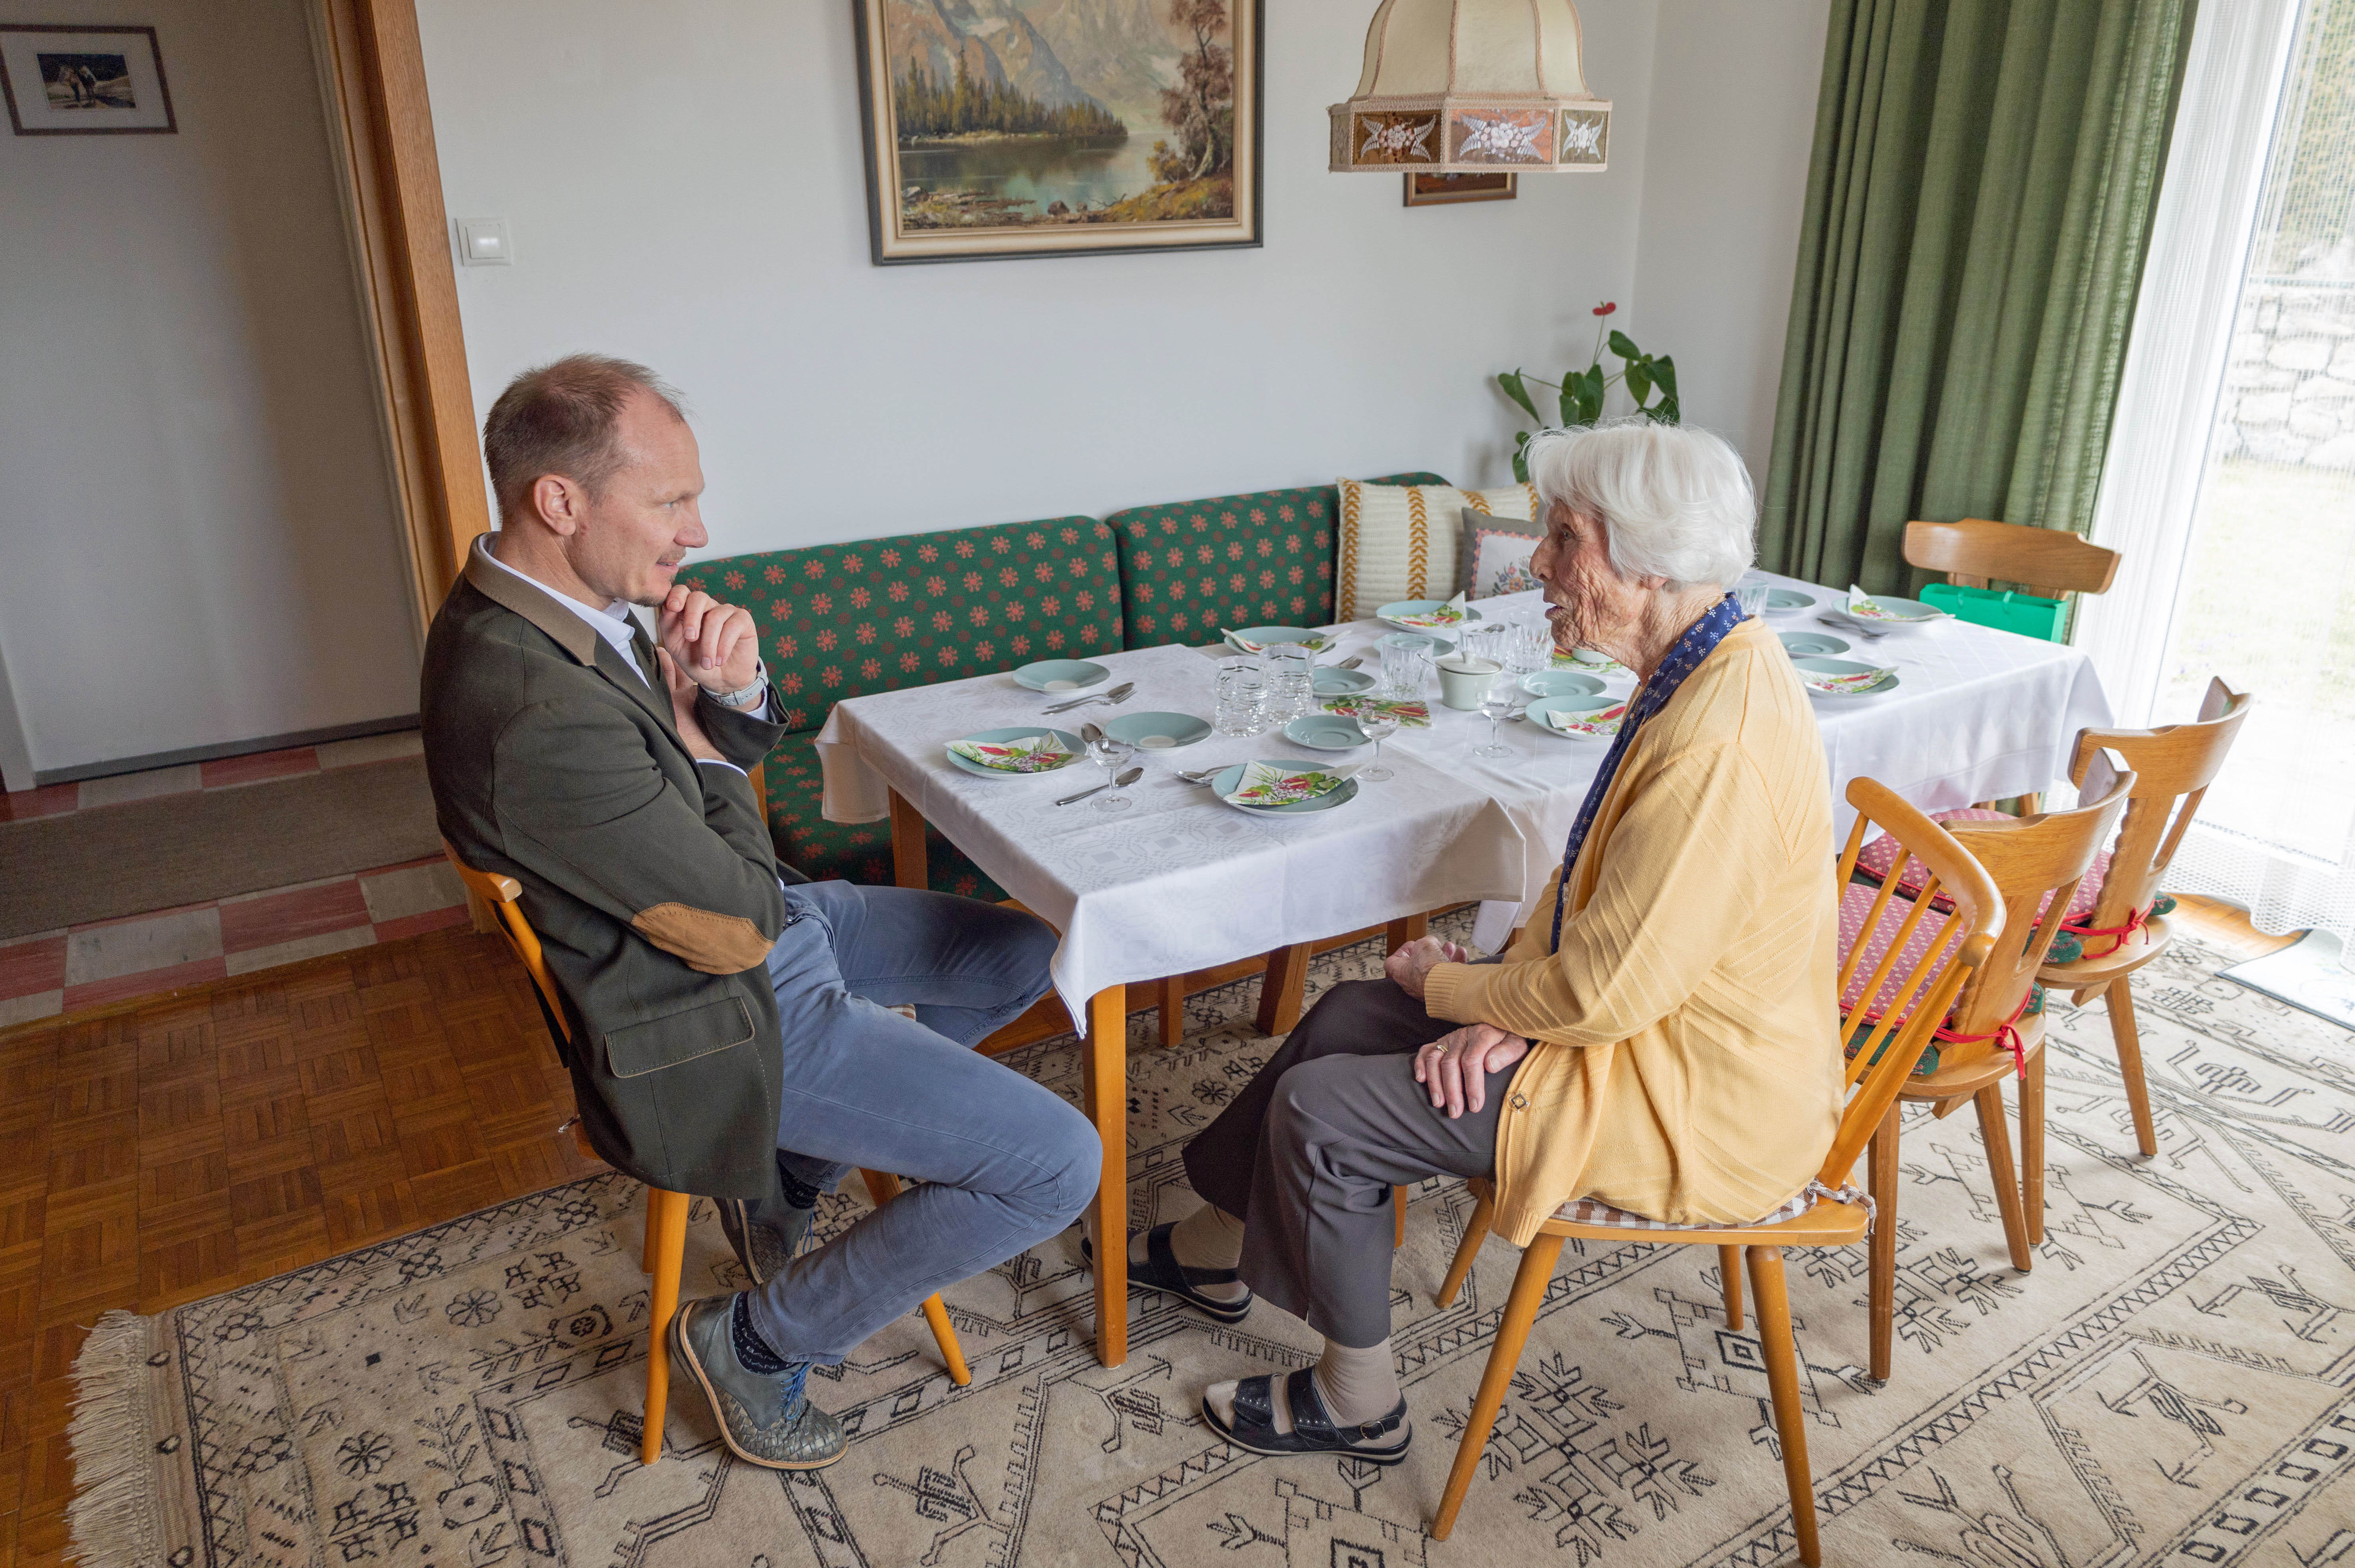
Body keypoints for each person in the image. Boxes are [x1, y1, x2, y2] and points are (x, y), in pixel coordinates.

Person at [419, 354, 1099, 1473]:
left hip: (764, 926)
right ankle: (755, 1342)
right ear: (560, 501)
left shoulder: (569, 604)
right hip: (707, 1008)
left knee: (1026, 953)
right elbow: (732, 925)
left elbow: (699, 803)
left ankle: (793, 1165)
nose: (696, 533)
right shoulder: (528, 704)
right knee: (1058, 1165)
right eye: (670, 502)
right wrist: (711, 747)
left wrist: (726, 702)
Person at [1135, 421, 1843, 1464]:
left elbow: (1602, 996)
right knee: (1348, 1013)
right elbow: (1599, 902)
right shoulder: (1706, 662)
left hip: (1688, 1094)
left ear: (1649, 566)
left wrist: (1466, 995)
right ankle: (1212, 1250)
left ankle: (1360, 1400)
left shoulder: (1716, 744)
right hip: (1637, 1023)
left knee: (1324, 1114)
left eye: (1565, 539)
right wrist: (1509, 990)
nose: (1537, 565)